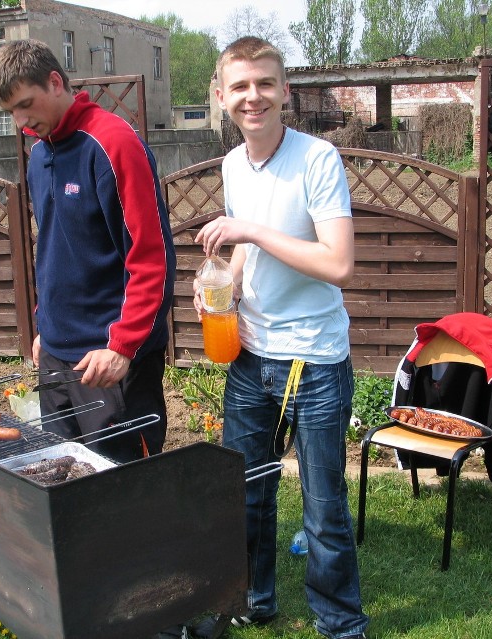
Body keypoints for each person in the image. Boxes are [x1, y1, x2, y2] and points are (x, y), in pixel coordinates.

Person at [191, 37, 369, 639]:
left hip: (314, 360)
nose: (253, 97)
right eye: (239, 86)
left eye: (264, 83)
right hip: (251, 355)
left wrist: (251, 231)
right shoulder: (233, 163)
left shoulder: (318, 159)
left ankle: (340, 623)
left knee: (322, 509)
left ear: (284, 90)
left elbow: (338, 263)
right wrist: (227, 288)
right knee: (245, 493)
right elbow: (243, 250)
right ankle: (253, 599)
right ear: (221, 96)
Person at [0, 39, 176, 466]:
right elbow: (58, 248)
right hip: (56, 355)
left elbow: (152, 258)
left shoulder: (113, 144)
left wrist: (123, 346)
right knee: (65, 479)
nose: (20, 121)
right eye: (11, 112)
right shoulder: (39, 156)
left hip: (108, 360)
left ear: (55, 82)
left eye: (26, 104)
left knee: (124, 488)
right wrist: (44, 326)